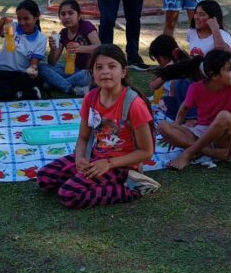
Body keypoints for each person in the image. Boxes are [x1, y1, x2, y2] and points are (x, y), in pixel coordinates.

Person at [36, 44, 156, 208]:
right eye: (99, 67)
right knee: (44, 178)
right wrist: (80, 158)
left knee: (69, 195)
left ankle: (132, 189)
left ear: (123, 72)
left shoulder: (134, 104)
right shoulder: (91, 98)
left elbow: (146, 152)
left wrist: (109, 164)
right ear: (92, 73)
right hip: (94, 156)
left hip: (122, 165)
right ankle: (90, 180)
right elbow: (83, 137)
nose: (105, 72)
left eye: (112, 66)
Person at [160, 50, 231, 171]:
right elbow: (183, 108)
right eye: (229, 69)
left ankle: (189, 152)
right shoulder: (196, 88)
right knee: (163, 126)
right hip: (201, 132)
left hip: (224, 137)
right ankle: (209, 152)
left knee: (224, 116)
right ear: (214, 75)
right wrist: (176, 128)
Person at [39, 0, 99, 96]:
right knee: (41, 67)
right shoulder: (63, 33)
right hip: (72, 70)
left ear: (78, 15)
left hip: (87, 72)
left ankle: (55, 83)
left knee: (85, 75)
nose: (66, 17)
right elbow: (52, 62)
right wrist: (53, 49)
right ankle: (71, 89)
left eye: (70, 13)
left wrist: (79, 48)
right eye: (63, 14)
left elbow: (99, 48)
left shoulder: (86, 26)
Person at [147, 35, 200, 122]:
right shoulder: (182, 62)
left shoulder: (179, 69)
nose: (159, 63)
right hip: (179, 107)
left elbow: (153, 86)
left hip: (185, 113)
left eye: (159, 59)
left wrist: (169, 70)